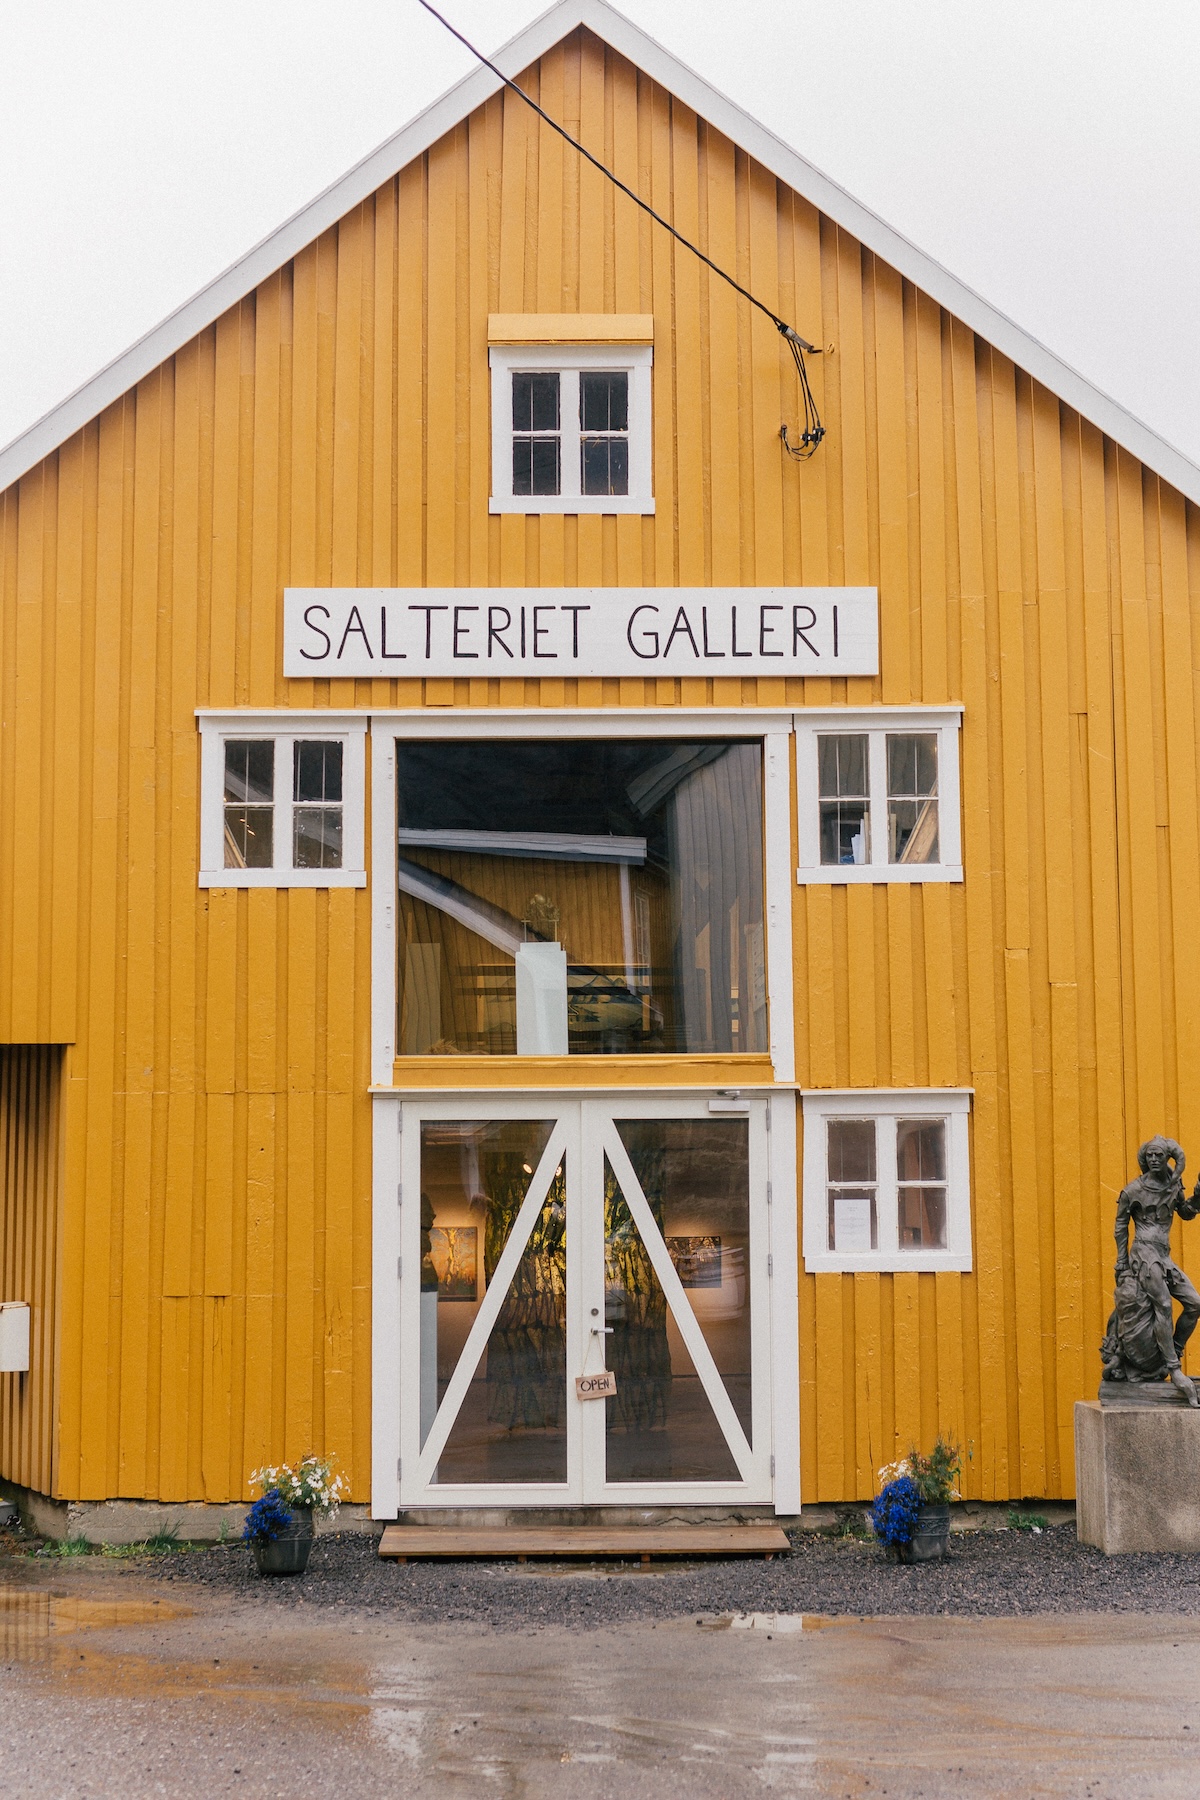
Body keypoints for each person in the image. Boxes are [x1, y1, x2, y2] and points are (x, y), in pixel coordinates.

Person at [1103, 1135, 1200, 1405]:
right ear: (1144, 1160)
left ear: (1168, 1158)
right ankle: (1175, 1371)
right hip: (1143, 1254)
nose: (1154, 1159)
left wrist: (1198, 1195)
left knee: (1194, 1304)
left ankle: (1173, 1354)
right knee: (1164, 1305)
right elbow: (1120, 1227)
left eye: (1159, 1155)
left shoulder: (1171, 1186)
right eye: (1150, 1156)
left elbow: (1187, 1212)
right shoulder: (1133, 1190)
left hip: (1163, 1254)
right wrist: (1122, 1262)